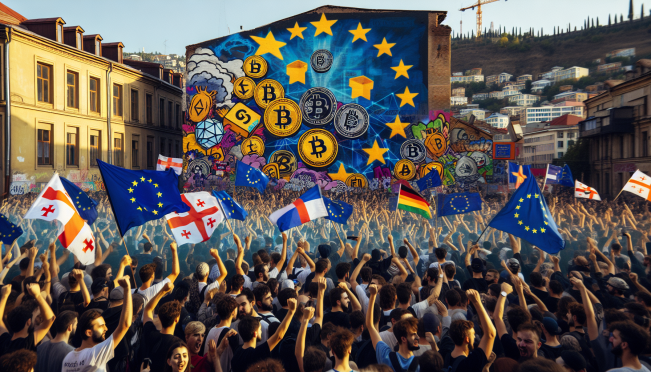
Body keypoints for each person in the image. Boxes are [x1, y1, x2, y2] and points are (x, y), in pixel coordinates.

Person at [61, 276, 132, 372]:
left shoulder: (68, 358)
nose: (106, 329)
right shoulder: (96, 353)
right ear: (88, 332)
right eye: (101, 326)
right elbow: (125, 325)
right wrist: (127, 289)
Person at [230, 298, 297, 372]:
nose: (261, 332)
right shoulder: (255, 354)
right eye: (260, 329)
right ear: (255, 334)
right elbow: (279, 336)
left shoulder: (237, 352)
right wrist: (291, 312)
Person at [139, 281, 182, 372]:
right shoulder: (178, 344)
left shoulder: (150, 333)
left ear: (159, 317)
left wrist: (163, 291)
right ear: (177, 319)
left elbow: (148, 309)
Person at [0, 283, 55, 354]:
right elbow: (50, 319)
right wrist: (37, 295)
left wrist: (4, 296)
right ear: (28, 322)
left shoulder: (4, 340)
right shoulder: (27, 343)